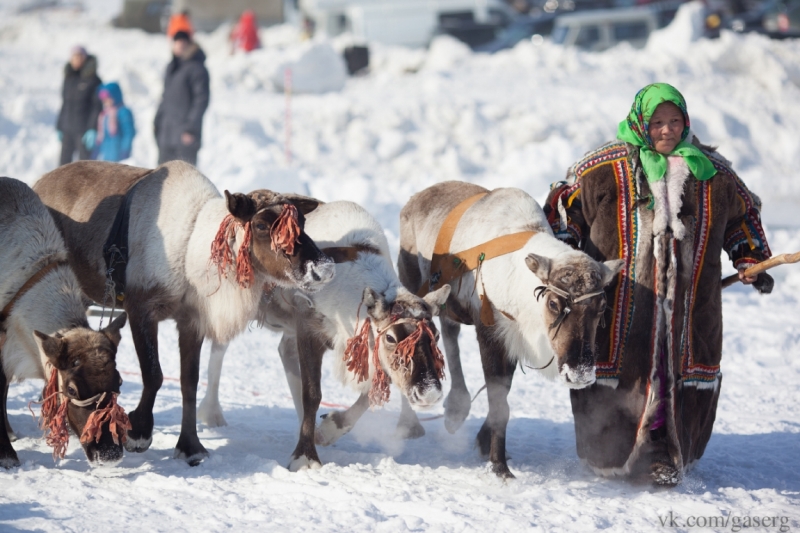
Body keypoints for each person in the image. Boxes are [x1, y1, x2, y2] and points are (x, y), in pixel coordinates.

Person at [545, 83, 773, 486]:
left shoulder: (714, 174)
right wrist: (563, 260)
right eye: (656, 123)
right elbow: (564, 213)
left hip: (688, 309)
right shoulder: (602, 168)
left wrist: (750, 259)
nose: (666, 131)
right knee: (622, 371)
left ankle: (663, 453)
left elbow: (743, 219)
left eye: (674, 122)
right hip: (618, 308)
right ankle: (610, 451)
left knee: (673, 374)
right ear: (640, 123)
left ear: (686, 122)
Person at [154, 31, 209, 166]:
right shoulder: (171, 68)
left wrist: (191, 129)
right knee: (163, 180)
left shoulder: (197, 68)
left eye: (183, 42)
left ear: (189, 44)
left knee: (184, 179)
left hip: (185, 136)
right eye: (176, 42)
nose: (179, 46)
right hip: (166, 134)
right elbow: (165, 98)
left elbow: (201, 100)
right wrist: (157, 122)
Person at [56, 45, 102, 165]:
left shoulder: (94, 80)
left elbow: (97, 107)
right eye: (74, 56)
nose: (77, 59)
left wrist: (92, 128)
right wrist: (59, 125)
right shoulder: (68, 78)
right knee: (63, 167)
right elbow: (65, 104)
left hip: (84, 131)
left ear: (85, 58)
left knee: (85, 166)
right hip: (67, 129)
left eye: (80, 56)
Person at [93, 82, 135, 162]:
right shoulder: (104, 114)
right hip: (106, 155)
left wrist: (125, 150)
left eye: (107, 97)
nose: (105, 101)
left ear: (115, 96)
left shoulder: (123, 112)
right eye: (103, 99)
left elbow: (129, 133)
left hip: (118, 154)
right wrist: (96, 150)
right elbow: (102, 135)